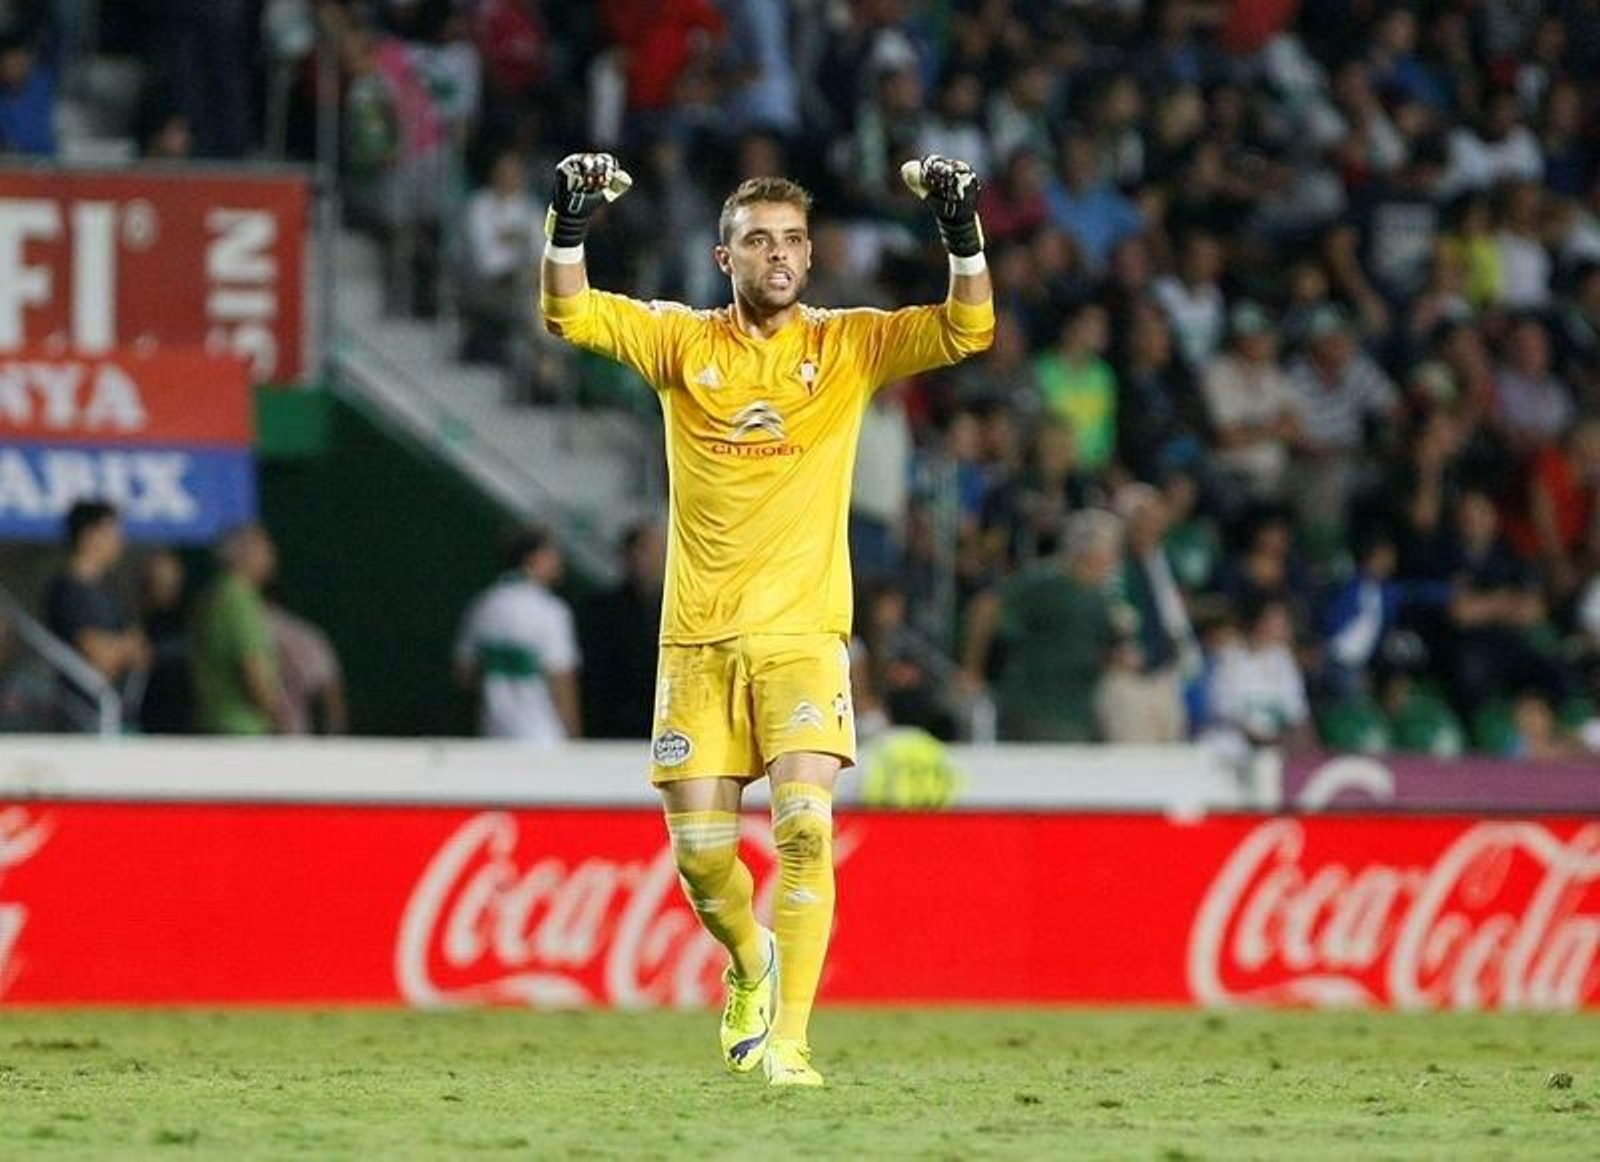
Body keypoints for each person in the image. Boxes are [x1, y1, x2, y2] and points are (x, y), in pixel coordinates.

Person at [540, 151, 993, 1084]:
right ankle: (750, 961)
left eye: (792, 240)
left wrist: (960, 231)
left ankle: (789, 1042)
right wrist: (570, 224)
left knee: (806, 831)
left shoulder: (849, 346)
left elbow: (969, 328)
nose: (778, 254)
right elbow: (569, 312)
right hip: (697, 643)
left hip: (803, 639)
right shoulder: (682, 342)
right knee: (704, 865)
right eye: (758, 241)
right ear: (725, 258)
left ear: (811, 256)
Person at [453, 526, 581, 744]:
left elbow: (464, 674)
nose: (558, 560)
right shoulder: (550, 611)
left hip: (492, 733)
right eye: (552, 553)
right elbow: (561, 680)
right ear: (534, 557)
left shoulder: (483, 605)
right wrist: (574, 736)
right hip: (543, 738)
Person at [44, 501, 150, 728]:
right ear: (89, 536)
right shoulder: (69, 591)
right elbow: (100, 658)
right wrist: (122, 649)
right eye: (111, 533)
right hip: (80, 716)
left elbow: (142, 652)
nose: (120, 541)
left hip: (113, 714)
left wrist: (120, 649)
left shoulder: (109, 590)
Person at [194, 525, 287, 735]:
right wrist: (278, 719)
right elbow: (251, 667)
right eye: (265, 548)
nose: (272, 556)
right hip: (240, 732)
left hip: (219, 725)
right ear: (246, 554)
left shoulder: (218, 594)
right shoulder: (237, 599)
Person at [580, 520, 665, 739]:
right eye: (639, 551)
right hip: (616, 725)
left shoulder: (679, 608)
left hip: (664, 722)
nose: (644, 559)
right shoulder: (602, 609)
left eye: (652, 552)